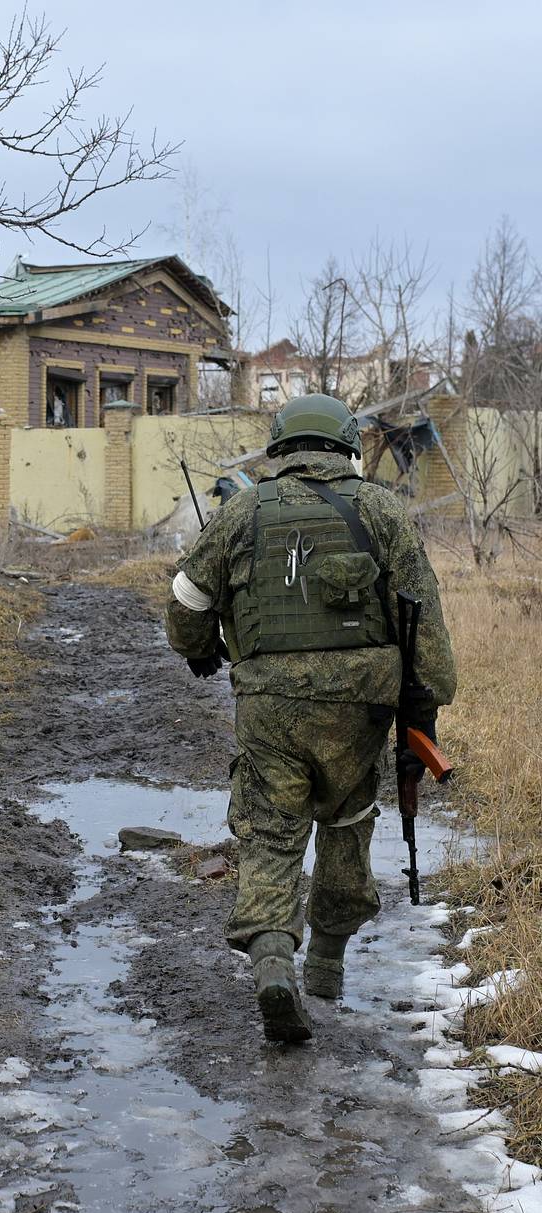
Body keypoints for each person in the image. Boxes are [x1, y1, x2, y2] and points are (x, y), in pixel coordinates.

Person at [165, 394, 456, 1043]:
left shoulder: (242, 511)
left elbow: (185, 599)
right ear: (346, 447)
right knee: (348, 821)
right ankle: (325, 966)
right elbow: (424, 626)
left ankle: (273, 962)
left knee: (270, 833)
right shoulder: (382, 510)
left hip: (272, 707)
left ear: (281, 448)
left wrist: (201, 652)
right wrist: (424, 713)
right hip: (360, 710)